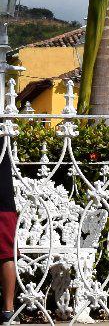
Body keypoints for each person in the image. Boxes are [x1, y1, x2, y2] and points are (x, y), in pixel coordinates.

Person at [0, 128, 15, 323]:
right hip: (5, 204)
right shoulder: (5, 133)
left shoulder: (4, 134)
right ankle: (8, 309)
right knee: (5, 255)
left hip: (3, 205)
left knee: (5, 255)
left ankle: (8, 308)